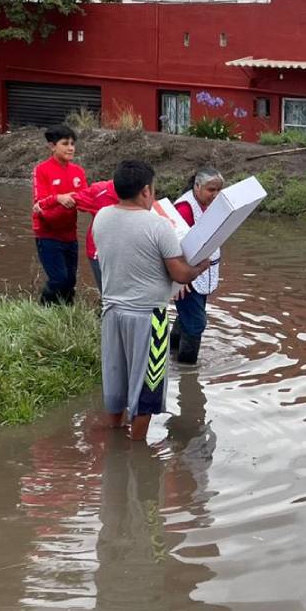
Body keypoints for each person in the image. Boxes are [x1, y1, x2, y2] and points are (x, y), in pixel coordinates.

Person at [93, 160, 210, 442]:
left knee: (116, 376)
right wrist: (200, 266)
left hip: (111, 313)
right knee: (148, 383)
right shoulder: (158, 225)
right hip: (149, 316)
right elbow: (180, 273)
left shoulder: (101, 217)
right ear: (146, 191)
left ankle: (115, 435)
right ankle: (137, 447)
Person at [171, 167, 225, 365]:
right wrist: (178, 280)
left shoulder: (209, 205)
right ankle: (187, 369)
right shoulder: (184, 208)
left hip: (201, 272)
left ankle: (172, 351)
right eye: (212, 190)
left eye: (219, 190)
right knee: (196, 323)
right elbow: (173, 245)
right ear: (198, 187)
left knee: (189, 316)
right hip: (187, 275)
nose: (216, 195)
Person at [32, 125, 86, 304]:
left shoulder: (78, 171)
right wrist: (58, 198)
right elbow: (39, 202)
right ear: (52, 146)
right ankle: (42, 309)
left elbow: (85, 198)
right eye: (65, 144)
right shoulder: (42, 170)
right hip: (47, 235)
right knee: (59, 279)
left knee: (70, 281)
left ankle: (66, 315)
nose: (71, 148)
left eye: (72, 143)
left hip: (70, 235)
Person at [35, 179, 119, 291]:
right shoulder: (100, 192)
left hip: (129, 252)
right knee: (109, 295)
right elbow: (68, 201)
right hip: (99, 252)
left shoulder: (144, 198)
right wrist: (45, 206)